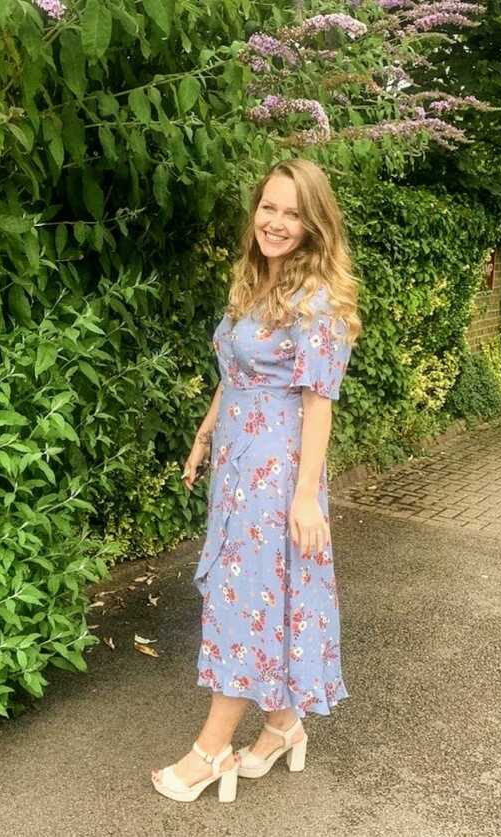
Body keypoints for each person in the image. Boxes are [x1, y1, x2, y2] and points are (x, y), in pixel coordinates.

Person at [151, 159, 362, 802]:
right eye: (268, 207)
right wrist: (205, 433)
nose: (275, 222)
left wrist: (305, 495)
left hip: (277, 475)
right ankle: (282, 727)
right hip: (237, 466)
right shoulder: (254, 283)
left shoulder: (317, 300)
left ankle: (210, 751)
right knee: (259, 595)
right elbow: (234, 371)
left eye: (292, 213)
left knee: (248, 602)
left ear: (314, 223)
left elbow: (317, 400)